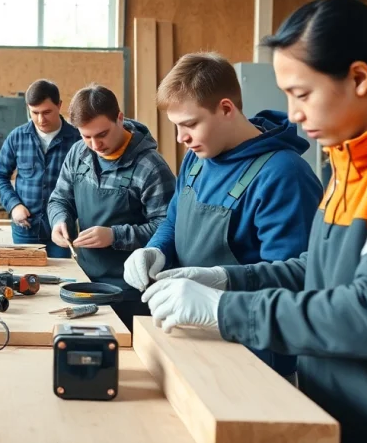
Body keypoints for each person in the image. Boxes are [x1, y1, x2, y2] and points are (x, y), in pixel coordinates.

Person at [144, 0, 367, 443]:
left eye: (302, 93)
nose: (292, 113)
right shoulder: (352, 157)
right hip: (344, 407)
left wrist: (224, 310)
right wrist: (224, 280)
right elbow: (320, 270)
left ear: (359, 78)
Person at [124, 52, 322, 376]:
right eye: (175, 126)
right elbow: (174, 219)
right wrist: (155, 250)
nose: (181, 138)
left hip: (253, 354)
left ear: (226, 109)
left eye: (189, 124)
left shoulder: (283, 176)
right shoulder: (198, 157)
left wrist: (222, 282)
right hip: (193, 335)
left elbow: (295, 280)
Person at [47, 84, 175, 329]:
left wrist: (115, 236)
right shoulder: (78, 154)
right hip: (83, 279)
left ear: (120, 118)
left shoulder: (150, 167)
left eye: (102, 134)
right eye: (86, 136)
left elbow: (168, 227)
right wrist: (59, 220)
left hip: (130, 289)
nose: (95, 145)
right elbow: (59, 198)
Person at [0, 79, 80, 258]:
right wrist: (14, 205)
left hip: (62, 228)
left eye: (47, 112)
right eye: (35, 112)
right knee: (26, 280)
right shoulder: (17, 137)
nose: (41, 119)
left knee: (59, 278)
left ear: (59, 105)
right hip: (26, 227)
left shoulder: (77, 139)